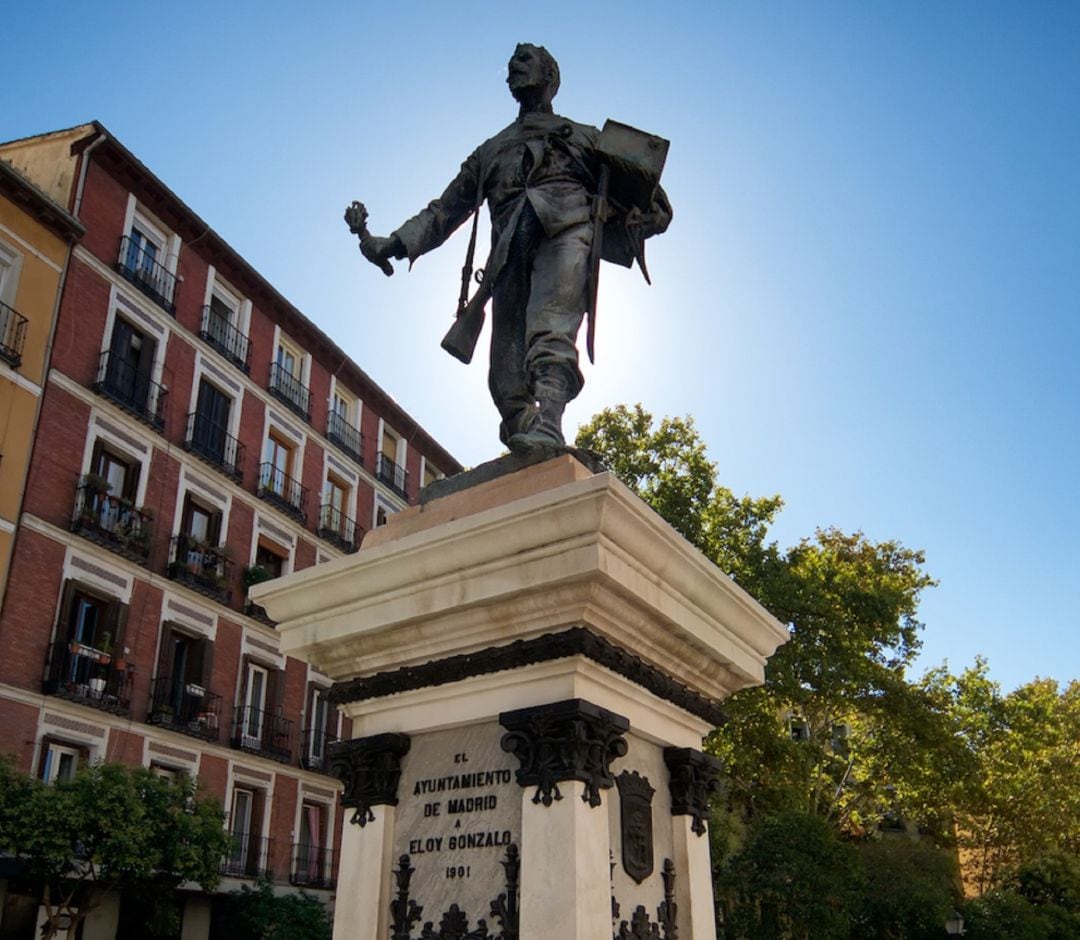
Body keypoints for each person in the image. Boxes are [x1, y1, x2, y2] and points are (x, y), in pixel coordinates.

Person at [356, 43, 671, 451]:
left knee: (551, 327)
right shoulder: (489, 150)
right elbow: (443, 212)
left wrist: (639, 218)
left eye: (524, 61)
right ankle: (530, 433)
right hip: (507, 252)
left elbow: (656, 203)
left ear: (552, 78)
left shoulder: (586, 137)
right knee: (503, 371)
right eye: (510, 65)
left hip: (566, 231)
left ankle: (550, 425)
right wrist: (393, 243)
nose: (513, 69)